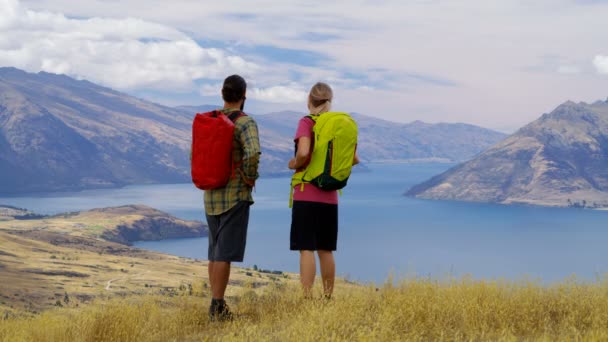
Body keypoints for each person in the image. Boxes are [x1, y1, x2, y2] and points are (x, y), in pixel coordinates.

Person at [288, 82, 359, 299]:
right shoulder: (340, 124)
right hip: (330, 196)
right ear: (330, 101)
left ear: (309, 100)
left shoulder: (306, 122)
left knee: (306, 247)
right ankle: (327, 298)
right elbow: (354, 159)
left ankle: (307, 298)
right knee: (325, 249)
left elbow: (303, 152)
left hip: (306, 191)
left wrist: (293, 164)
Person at [205, 74, 260, 321]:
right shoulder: (245, 122)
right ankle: (217, 307)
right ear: (243, 95)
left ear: (223, 94)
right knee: (224, 254)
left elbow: (194, 154)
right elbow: (253, 152)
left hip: (211, 195)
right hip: (235, 195)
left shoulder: (211, 121)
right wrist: (250, 178)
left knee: (215, 252)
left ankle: (216, 303)